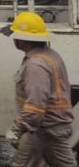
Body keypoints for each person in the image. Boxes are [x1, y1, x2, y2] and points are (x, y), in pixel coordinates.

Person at [5, 11, 76, 167]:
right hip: (48, 128)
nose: (14, 39)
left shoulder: (35, 65)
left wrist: (17, 128)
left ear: (23, 40)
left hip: (45, 129)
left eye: (16, 35)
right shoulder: (50, 55)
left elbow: (35, 105)